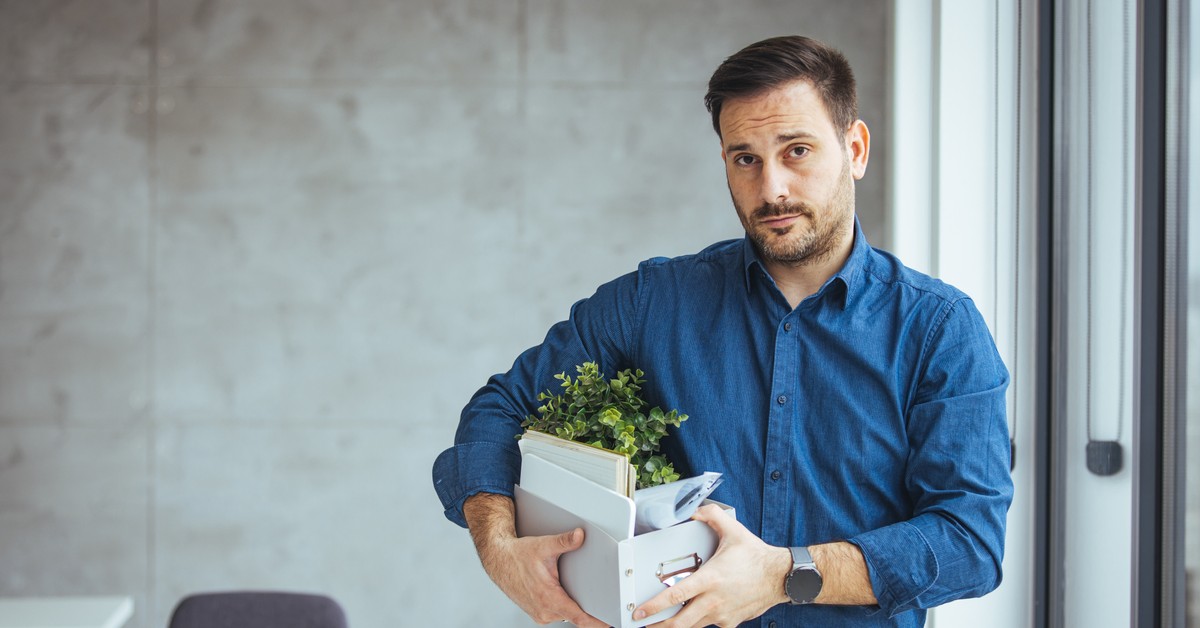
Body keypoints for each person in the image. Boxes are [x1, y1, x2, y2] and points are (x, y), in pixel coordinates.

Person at [432, 35, 1013, 628]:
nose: (772, 189)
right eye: (746, 158)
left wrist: (786, 574)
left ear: (855, 149)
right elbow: (499, 410)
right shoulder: (652, 302)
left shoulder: (939, 327)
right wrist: (500, 550)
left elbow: (968, 542)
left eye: (798, 151)